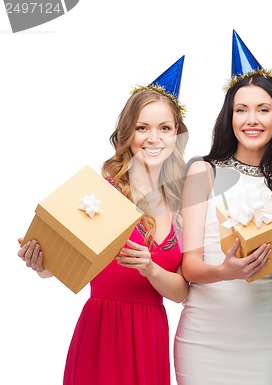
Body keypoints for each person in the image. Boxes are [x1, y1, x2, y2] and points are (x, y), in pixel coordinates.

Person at [17, 56, 189, 385]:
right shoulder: (102, 194)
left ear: (177, 135)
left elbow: (181, 293)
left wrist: (150, 267)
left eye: (164, 128)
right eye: (142, 127)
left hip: (150, 332)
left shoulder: (183, 205)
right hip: (102, 331)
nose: (154, 138)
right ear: (129, 133)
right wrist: (43, 264)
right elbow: (66, 262)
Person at [174, 30, 272, 385]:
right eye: (241, 110)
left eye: (263, 109)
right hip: (204, 336)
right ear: (229, 117)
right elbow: (190, 267)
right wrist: (229, 270)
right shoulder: (204, 171)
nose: (252, 119)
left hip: (266, 335)